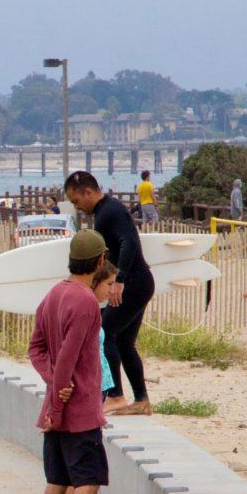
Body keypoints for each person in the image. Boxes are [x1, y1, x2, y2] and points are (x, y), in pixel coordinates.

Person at [29, 230, 123, 494]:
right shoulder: (84, 300)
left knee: (56, 481)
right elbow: (68, 353)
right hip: (78, 408)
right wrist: (63, 388)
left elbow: (36, 348)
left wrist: (53, 384)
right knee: (87, 480)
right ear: (100, 262)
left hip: (55, 409)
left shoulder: (54, 293)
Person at [64, 171, 154, 416]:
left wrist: (119, 281)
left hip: (134, 283)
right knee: (124, 341)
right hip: (140, 282)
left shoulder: (109, 212)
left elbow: (130, 244)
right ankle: (142, 400)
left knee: (104, 334)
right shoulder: (106, 211)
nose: (77, 207)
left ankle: (115, 396)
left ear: (88, 192)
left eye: (76, 201)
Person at [60, 260, 118, 494]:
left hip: (97, 389)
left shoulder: (89, 307)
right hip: (88, 394)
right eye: (108, 284)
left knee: (73, 476)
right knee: (80, 476)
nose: (112, 290)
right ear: (95, 281)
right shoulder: (84, 309)